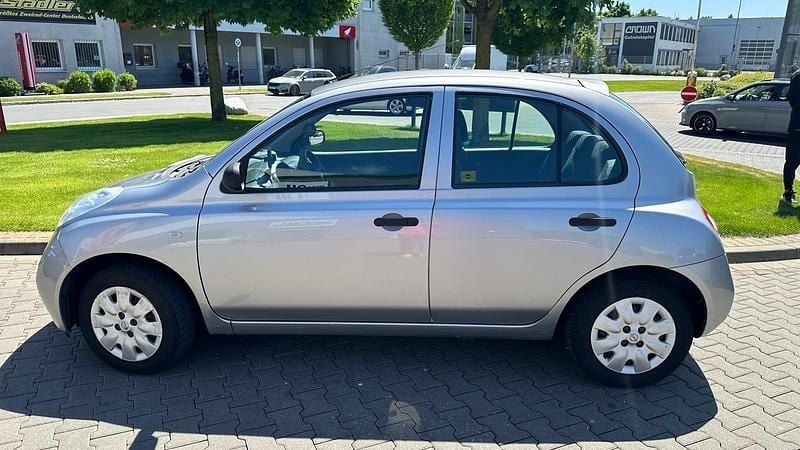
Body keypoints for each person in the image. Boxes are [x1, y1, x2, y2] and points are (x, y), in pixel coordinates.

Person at [784, 68, 800, 203]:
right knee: (792, 162)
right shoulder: (798, 77)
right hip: (797, 128)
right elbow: (795, 102)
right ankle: (788, 191)